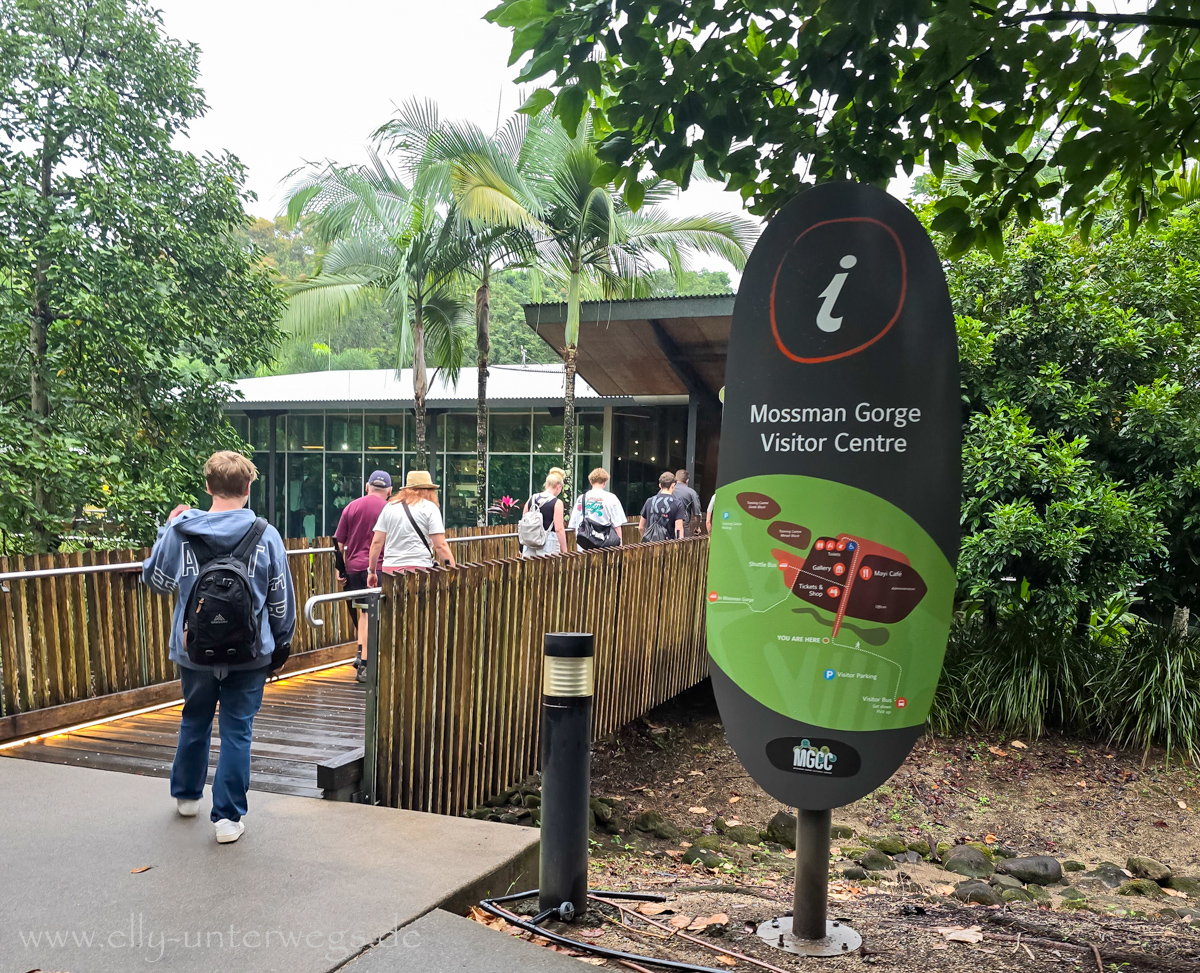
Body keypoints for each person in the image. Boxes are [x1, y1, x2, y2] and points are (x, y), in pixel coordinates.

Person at [142, 451, 296, 845]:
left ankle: (187, 796)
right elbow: (280, 601)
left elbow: (157, 581)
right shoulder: (266, 534)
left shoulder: (182, 530)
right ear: (247, 489)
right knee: (237, 730)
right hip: (250, 652)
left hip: (193, 650)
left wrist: (168, 527)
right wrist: (280, 644)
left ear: (208, 486)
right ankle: (227, 819)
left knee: (194, 719)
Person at [334, 470, 392, 683]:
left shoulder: (351, 507)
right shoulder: (389, 509)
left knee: (361, 612)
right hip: (378, 568)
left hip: (353, 568)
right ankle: (367, 665)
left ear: (367, 487)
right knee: (372, 615)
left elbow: (338, 543)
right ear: (389, 491)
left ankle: (360, 652)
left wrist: (339, 568)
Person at [366, 469, 456, 585]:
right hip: (419, 569)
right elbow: (440, 545)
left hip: (390, 570)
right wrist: (453, 570)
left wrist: (372, 571)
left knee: (394, 603)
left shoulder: (390, 507)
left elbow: (377, 543)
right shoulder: (430, 508)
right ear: (428, 490)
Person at [569, 467, 628, 549]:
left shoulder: (581, 499)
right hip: (605, 545)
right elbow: (617, 525)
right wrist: (620, 546)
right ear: (605, 482)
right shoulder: (611, 498)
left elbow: (573, 525)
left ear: (591, 481)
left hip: (584, 546)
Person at [521, 467, 568, 557]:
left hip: (529, 543)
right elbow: (559, 529)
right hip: (549, 542)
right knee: (548, 570)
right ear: (558, 486)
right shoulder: (557, 503)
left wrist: (521, 547)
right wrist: (564, 550)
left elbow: (523, 522)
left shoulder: (532, 498)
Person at [639, 471, 686, 542]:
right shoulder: (677, 504)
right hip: (668, 546)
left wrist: (646, 539)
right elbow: (678, 529)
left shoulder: (649, 501)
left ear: (660, 485)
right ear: (673, 485)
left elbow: (641, 527)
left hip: (650, 546)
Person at [673, 469, 702, 535]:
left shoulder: (666, 490)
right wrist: (697, 527)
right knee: (683, 545)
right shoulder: (691, 493)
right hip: (683, 526)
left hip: (666, 526)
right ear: (687, 480)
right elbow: (697, 513)